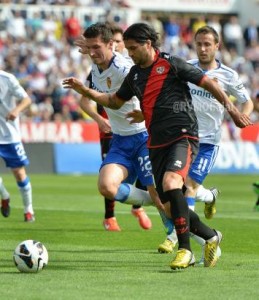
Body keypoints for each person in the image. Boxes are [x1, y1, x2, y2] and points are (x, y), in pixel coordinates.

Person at [63, 22, 251, 270]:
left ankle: (185, 250)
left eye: (132, 48)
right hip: (156, 141)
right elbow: (114, 101)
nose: (129, 53)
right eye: (126, 49)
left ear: (148, 44)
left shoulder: (171, 63)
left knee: (173, 184)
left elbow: (209, 83)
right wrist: (85, 90)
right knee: (171, 206)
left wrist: (234, 111)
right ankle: (210, 236)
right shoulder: (135, 75)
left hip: (183, 135)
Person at [158, 26, 254, 260]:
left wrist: (242, 117)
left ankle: (176, 240)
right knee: (175, 189)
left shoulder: (228, 75)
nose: (202, 48)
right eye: (199, 44)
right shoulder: (185, 67)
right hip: (182, 138)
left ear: (216, 46)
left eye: (207, 44)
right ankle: (210, 197)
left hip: (208, 142)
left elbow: (247, 101)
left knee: (188, 187)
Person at [73, 23, 167, 233]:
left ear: (111, 45)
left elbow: (152, 93)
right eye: (90, 47)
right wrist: (98, 118)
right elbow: (86, 101)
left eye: (97, 47)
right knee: (106, 186)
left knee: (159, 196)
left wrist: (145, 113)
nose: (92, 51)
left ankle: (180, 240)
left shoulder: (125, 69)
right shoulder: (95, 69)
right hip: (119, 139)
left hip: (143, 136)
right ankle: (145, 202)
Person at [0, 70, 35, 222]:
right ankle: (5, 195)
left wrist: (16, 110)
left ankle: (28, 210)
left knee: (19, 174)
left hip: (9, 135)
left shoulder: (7, 79)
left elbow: (27, 100)